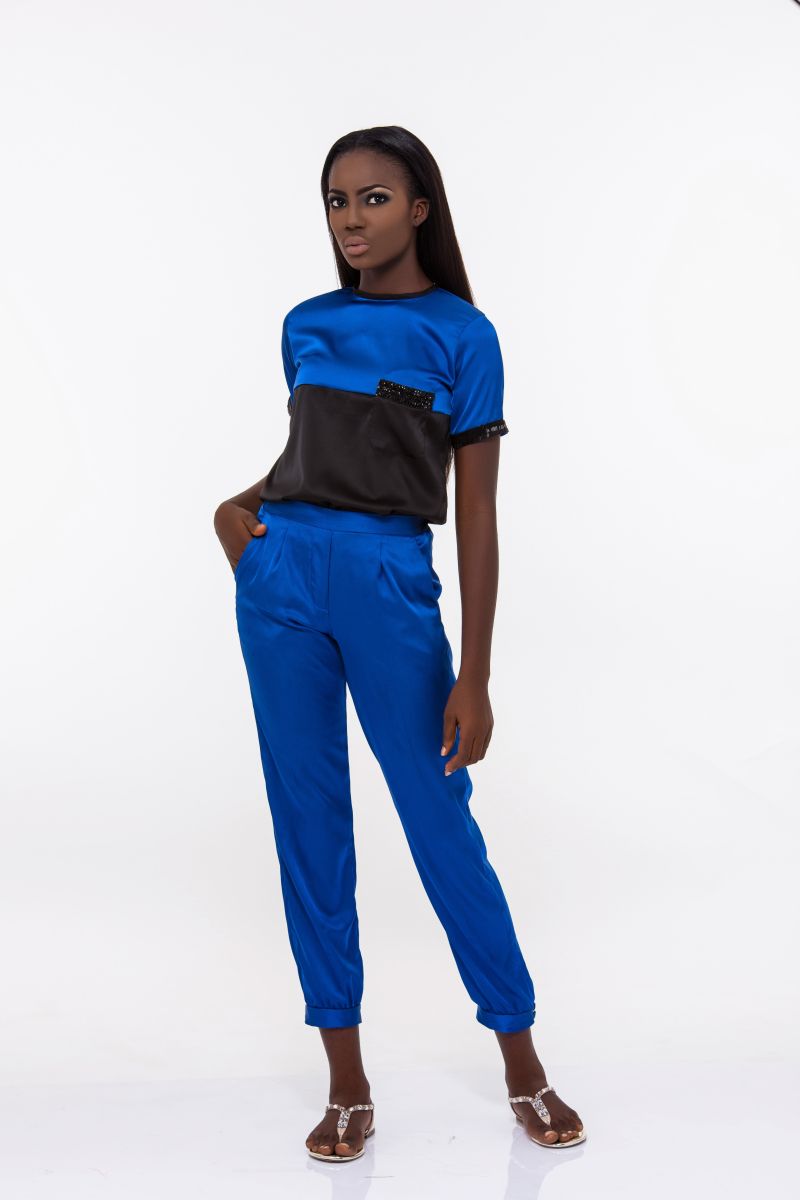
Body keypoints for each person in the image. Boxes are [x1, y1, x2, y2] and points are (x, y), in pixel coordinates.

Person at [213, 126, 585, 1161]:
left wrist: (476, 672)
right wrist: (235, 517)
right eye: (336, 201)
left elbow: (476, 514)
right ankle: (346, 1081)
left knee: (438, 823)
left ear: (419, 208)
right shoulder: (306, 323)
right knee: (308, 823)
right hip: (283, 582)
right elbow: (315, 454)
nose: (351, 219)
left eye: (373, 198)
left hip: (388, 585)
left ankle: (522, 1063)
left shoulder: (462, 334)